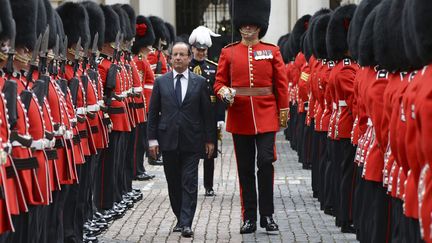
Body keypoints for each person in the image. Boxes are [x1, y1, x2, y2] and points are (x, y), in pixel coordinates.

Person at [213, 0, 289, 234]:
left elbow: (281, 84)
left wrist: (283, 110)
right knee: (245, 169)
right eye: (243, 25)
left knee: (266, 162)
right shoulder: (229, 52)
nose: (247, 28)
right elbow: (219, 82)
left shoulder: (271, 50)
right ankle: (250, 218)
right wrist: (223, 91)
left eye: (252, 25)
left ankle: (268, 215)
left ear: (259, 26)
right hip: (240, 116)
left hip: (266, 115)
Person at [147, 42, 215, 238]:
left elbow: (207, 114)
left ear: (188, 58)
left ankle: (186, 222)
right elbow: (153, 113)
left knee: (189, 182)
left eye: (182, 55)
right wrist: (152, 140)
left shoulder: (200, 82)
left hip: (192, 141)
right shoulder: (161, 82)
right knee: (174, 183)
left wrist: (210, 140)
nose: (178, 58)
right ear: (170, 58)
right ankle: (179, 216)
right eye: (175, 54)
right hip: (167, 140)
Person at [188, 26, 225, 197]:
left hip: (209, 114)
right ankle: (192, 184)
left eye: (203, 50)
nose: (200, 53)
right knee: (191, 152)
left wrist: (220, 117)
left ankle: (208, 185)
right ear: (192, 49)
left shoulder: (213, 67)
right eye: (197, 49)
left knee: (209, 152)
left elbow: (218, 93)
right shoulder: (185, 67)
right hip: (191, 114)